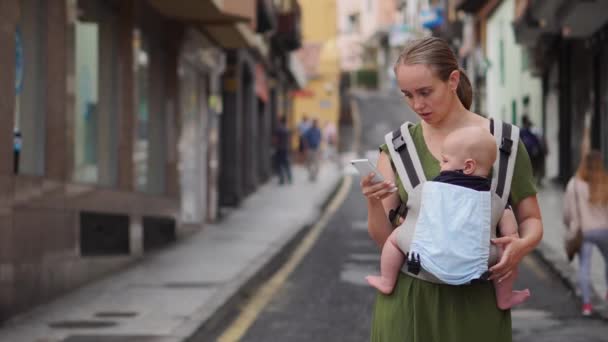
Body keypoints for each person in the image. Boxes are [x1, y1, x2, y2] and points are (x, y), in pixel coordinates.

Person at [360, 37, 543, 341]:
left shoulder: (506, 145)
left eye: (425, 92)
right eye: (407, 95)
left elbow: (532, 220)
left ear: (453, 80)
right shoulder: (396, 148)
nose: (417, 105)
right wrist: (371, 201)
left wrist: (520, 247)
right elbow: (385, 240)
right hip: (409, 308)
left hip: (478, 309)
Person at [366, 126, 530, 310]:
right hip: (478, 265)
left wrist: (402, 222)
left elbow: (413, 217)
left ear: (468, 166)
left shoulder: (429, 189)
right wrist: (513, 241)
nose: (440, 165)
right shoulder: (495, 198)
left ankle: (387, 281)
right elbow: (510, 233)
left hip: (426, 260)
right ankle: (505, 296)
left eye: (444, 160)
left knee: (394, 240)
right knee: (506, 252)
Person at [563, 150, 608, 316]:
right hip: (605, 231)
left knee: (584, 267)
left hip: (584, 231)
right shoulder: (605, 182)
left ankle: (587, 305)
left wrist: (570, 225)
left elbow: (567, 213)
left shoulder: (574, 184)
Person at [520, 114, 547, 186]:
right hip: (533, 152)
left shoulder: (522, 131)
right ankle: (535, 181)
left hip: (529, 153)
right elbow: (537, 140)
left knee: (532, 167)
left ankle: (533, 181)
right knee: (536, 167)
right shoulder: (530, 130)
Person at [272, 116, 292, 185]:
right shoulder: (287, 129)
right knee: (286, 164)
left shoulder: (278, 129)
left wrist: (274, 146)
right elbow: (289, 140)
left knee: (277, 164)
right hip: (285, 149)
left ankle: (282, 179)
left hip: (279, 149)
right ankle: (289, 178)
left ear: (280, 121)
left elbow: (275, 140)